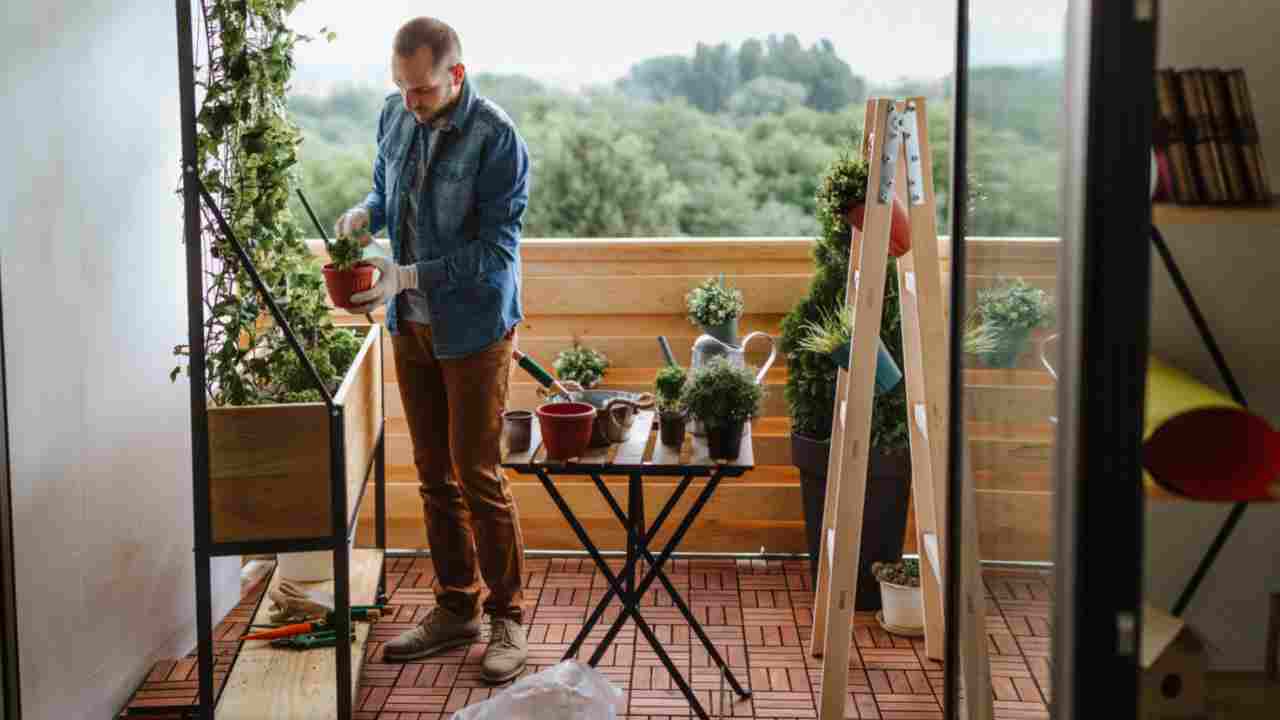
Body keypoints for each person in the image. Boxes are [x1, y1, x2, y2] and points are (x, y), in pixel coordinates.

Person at [334, 16, 530, 683]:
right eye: (402, 88)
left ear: (456, 75)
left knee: (476, 472)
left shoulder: (496, 138)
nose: (410, 102)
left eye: (421, 90)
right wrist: (365, 214)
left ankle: (509, 616)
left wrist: (408, 275)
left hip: (474, 328)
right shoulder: (394, 114)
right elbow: (389, 197)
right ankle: (456, 608)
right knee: (432, 473)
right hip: (409, 324)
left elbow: (497, 252)